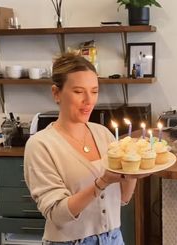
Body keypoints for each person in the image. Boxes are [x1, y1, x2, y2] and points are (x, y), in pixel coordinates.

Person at [24, 52, 140, 245]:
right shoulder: (41, 145)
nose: (89, 100)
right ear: (56, 93)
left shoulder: (103, 134)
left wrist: (133, 169)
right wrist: (102, 182)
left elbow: (123, 198)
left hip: (113, 238)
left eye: (94, 91)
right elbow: (57, 214)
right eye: (79, 92)